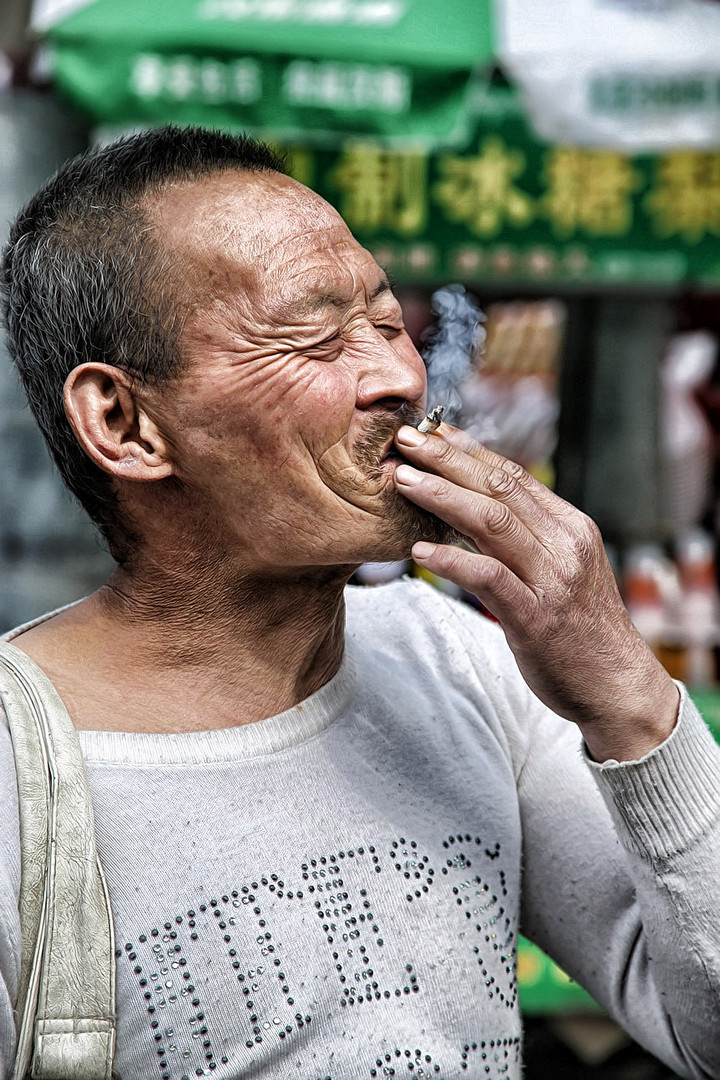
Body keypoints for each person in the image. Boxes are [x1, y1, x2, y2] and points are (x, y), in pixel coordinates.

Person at [0, 125, 718, 1080]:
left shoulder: (450, 657)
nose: (403, 378)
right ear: (125, 424)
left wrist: (629, 697)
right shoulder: (18, 775)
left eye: (387, 324)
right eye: (315, 335)